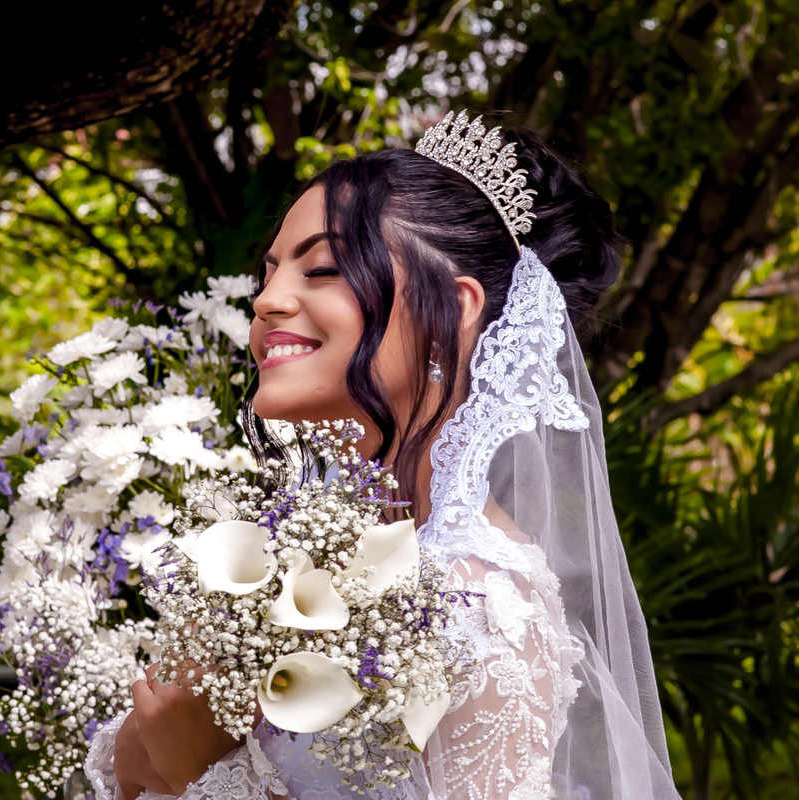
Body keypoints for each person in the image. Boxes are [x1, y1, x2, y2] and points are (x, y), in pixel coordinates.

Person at [84, 112, 682, 800]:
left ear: (453, 308)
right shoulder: (289, 560)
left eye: (325, 268)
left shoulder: (484, 607)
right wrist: (146, 746)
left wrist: (205, 773)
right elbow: (139, 764)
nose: (270, 300)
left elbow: (186, 766)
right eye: (271, 270)